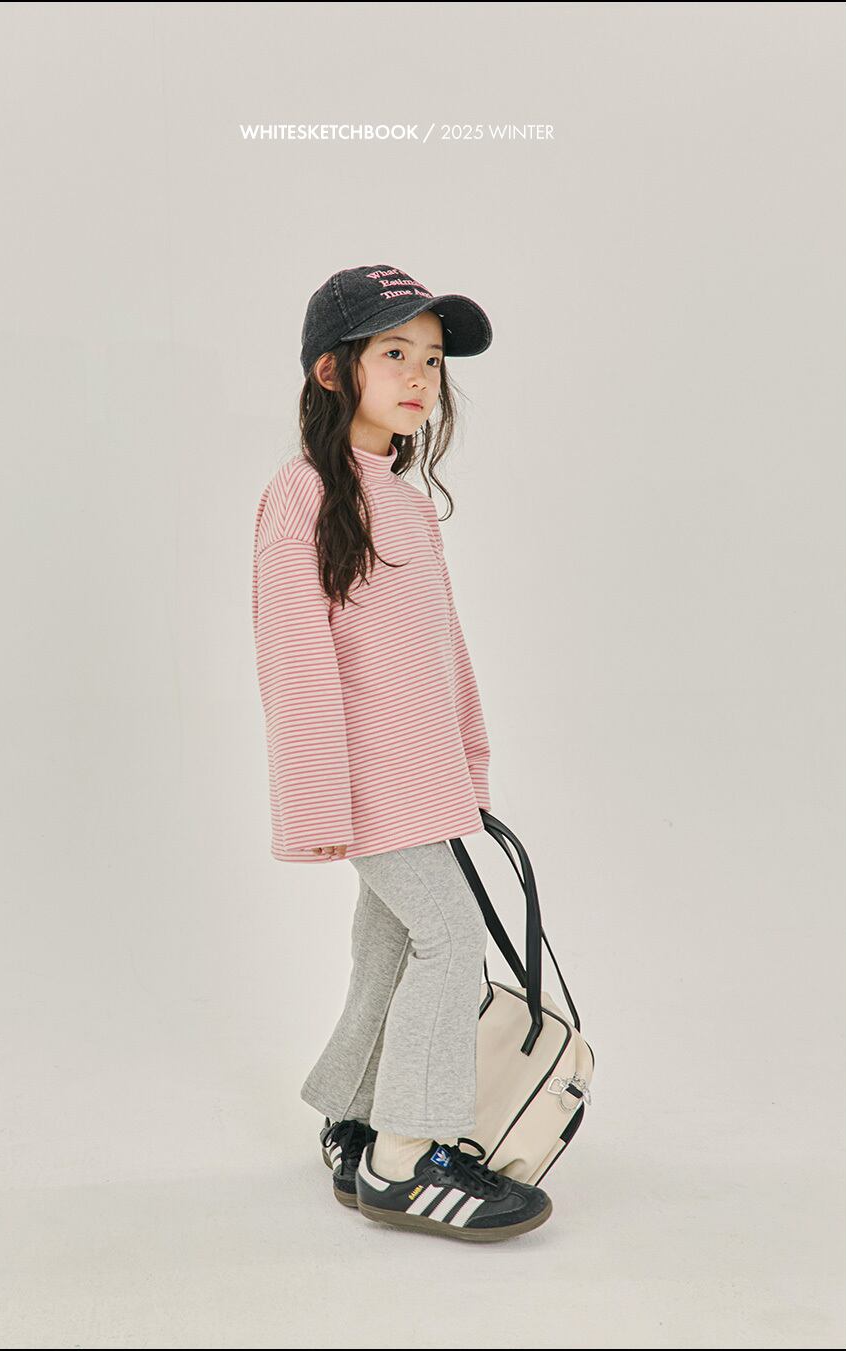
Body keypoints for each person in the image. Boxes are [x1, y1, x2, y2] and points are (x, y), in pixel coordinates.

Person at [251, 264, 552, 1242]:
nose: (420, 374)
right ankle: (403, 1157)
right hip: (367, 786)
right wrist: (316, 808)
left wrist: (468, 765)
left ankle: (353, 1118)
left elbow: (441, 649)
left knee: (389, 942)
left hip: (422, 783)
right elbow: (295, 662)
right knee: (449, 939)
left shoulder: (407, 503)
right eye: (394, 353)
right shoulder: (300, 494)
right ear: (331, 370)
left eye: (430, 358)